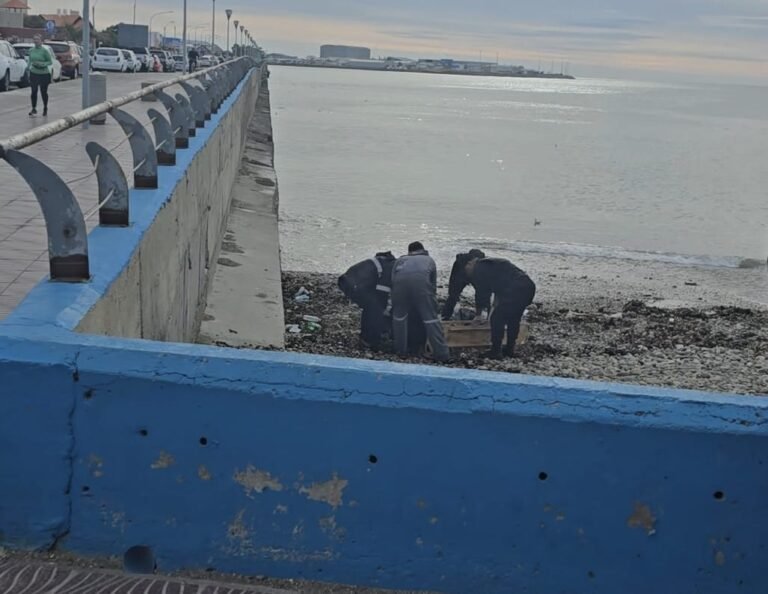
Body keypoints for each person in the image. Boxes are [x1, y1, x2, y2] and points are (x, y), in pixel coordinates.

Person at [442, 250, 536, 359]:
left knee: (497, 318)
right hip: (528, 287)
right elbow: (499, 288)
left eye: (465, 271)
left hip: (517, 289)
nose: (467, 275)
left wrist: (478, 316)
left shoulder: (478, 269)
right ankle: (509, 349)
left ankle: (496, 351)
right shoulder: (489, 264)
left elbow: (482, 294)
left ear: (469, 263)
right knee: (513, 318)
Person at [391, 242, 450, 361]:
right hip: (421, 286)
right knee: (431, 319)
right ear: (423, 250)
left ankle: (400, 351)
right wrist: (430, 304)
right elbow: (432, 286)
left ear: (409, 252)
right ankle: (442, 354)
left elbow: (393, 280)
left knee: (399, 318)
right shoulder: (429, 260)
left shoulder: (400, 260)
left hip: (399, 286)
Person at [338, 251, 396, 350]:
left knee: (370, 308)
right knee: (375, 310)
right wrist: (385, 309)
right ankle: (371, 340)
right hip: (354, 285)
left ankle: (365, 338)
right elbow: (382, 291)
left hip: (346, 281)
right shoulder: (389, 267)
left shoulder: (380, 262)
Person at [27, 35, 53, 117]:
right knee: (34, 91)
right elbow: (30, 61)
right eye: (34, 39)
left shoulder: (44, 51)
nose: (36, 41)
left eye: (37, 39)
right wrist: (28, 69)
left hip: (44, 74)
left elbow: (50, 62)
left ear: (41, 41)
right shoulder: (31, 50)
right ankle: (34, 108)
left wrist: (42, 64)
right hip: (34, 73)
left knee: (43, 92)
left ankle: (45, 107)